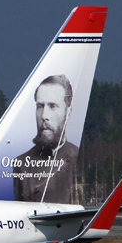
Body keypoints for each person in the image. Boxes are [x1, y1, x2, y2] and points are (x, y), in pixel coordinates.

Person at [12, 74, 79, 203]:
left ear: (68, 113)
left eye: (53, 106)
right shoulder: (21, 164)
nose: (44, 116)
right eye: (40, 106)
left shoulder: (78, 157)